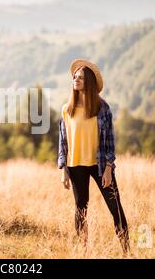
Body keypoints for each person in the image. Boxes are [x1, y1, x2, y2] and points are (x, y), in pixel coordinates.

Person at [58, 58, 129, 254]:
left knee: (115, 207)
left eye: (80, 77)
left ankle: (127, 251)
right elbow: (62, 143)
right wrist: (63, 169)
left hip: (99, 166)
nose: (75, 79)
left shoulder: (102, 109)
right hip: (75, 166)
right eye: (74, 77)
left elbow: (110, 143)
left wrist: (108, 168)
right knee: (81, 209)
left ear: (88, 81)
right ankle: (83, 251)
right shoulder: (66, 109)